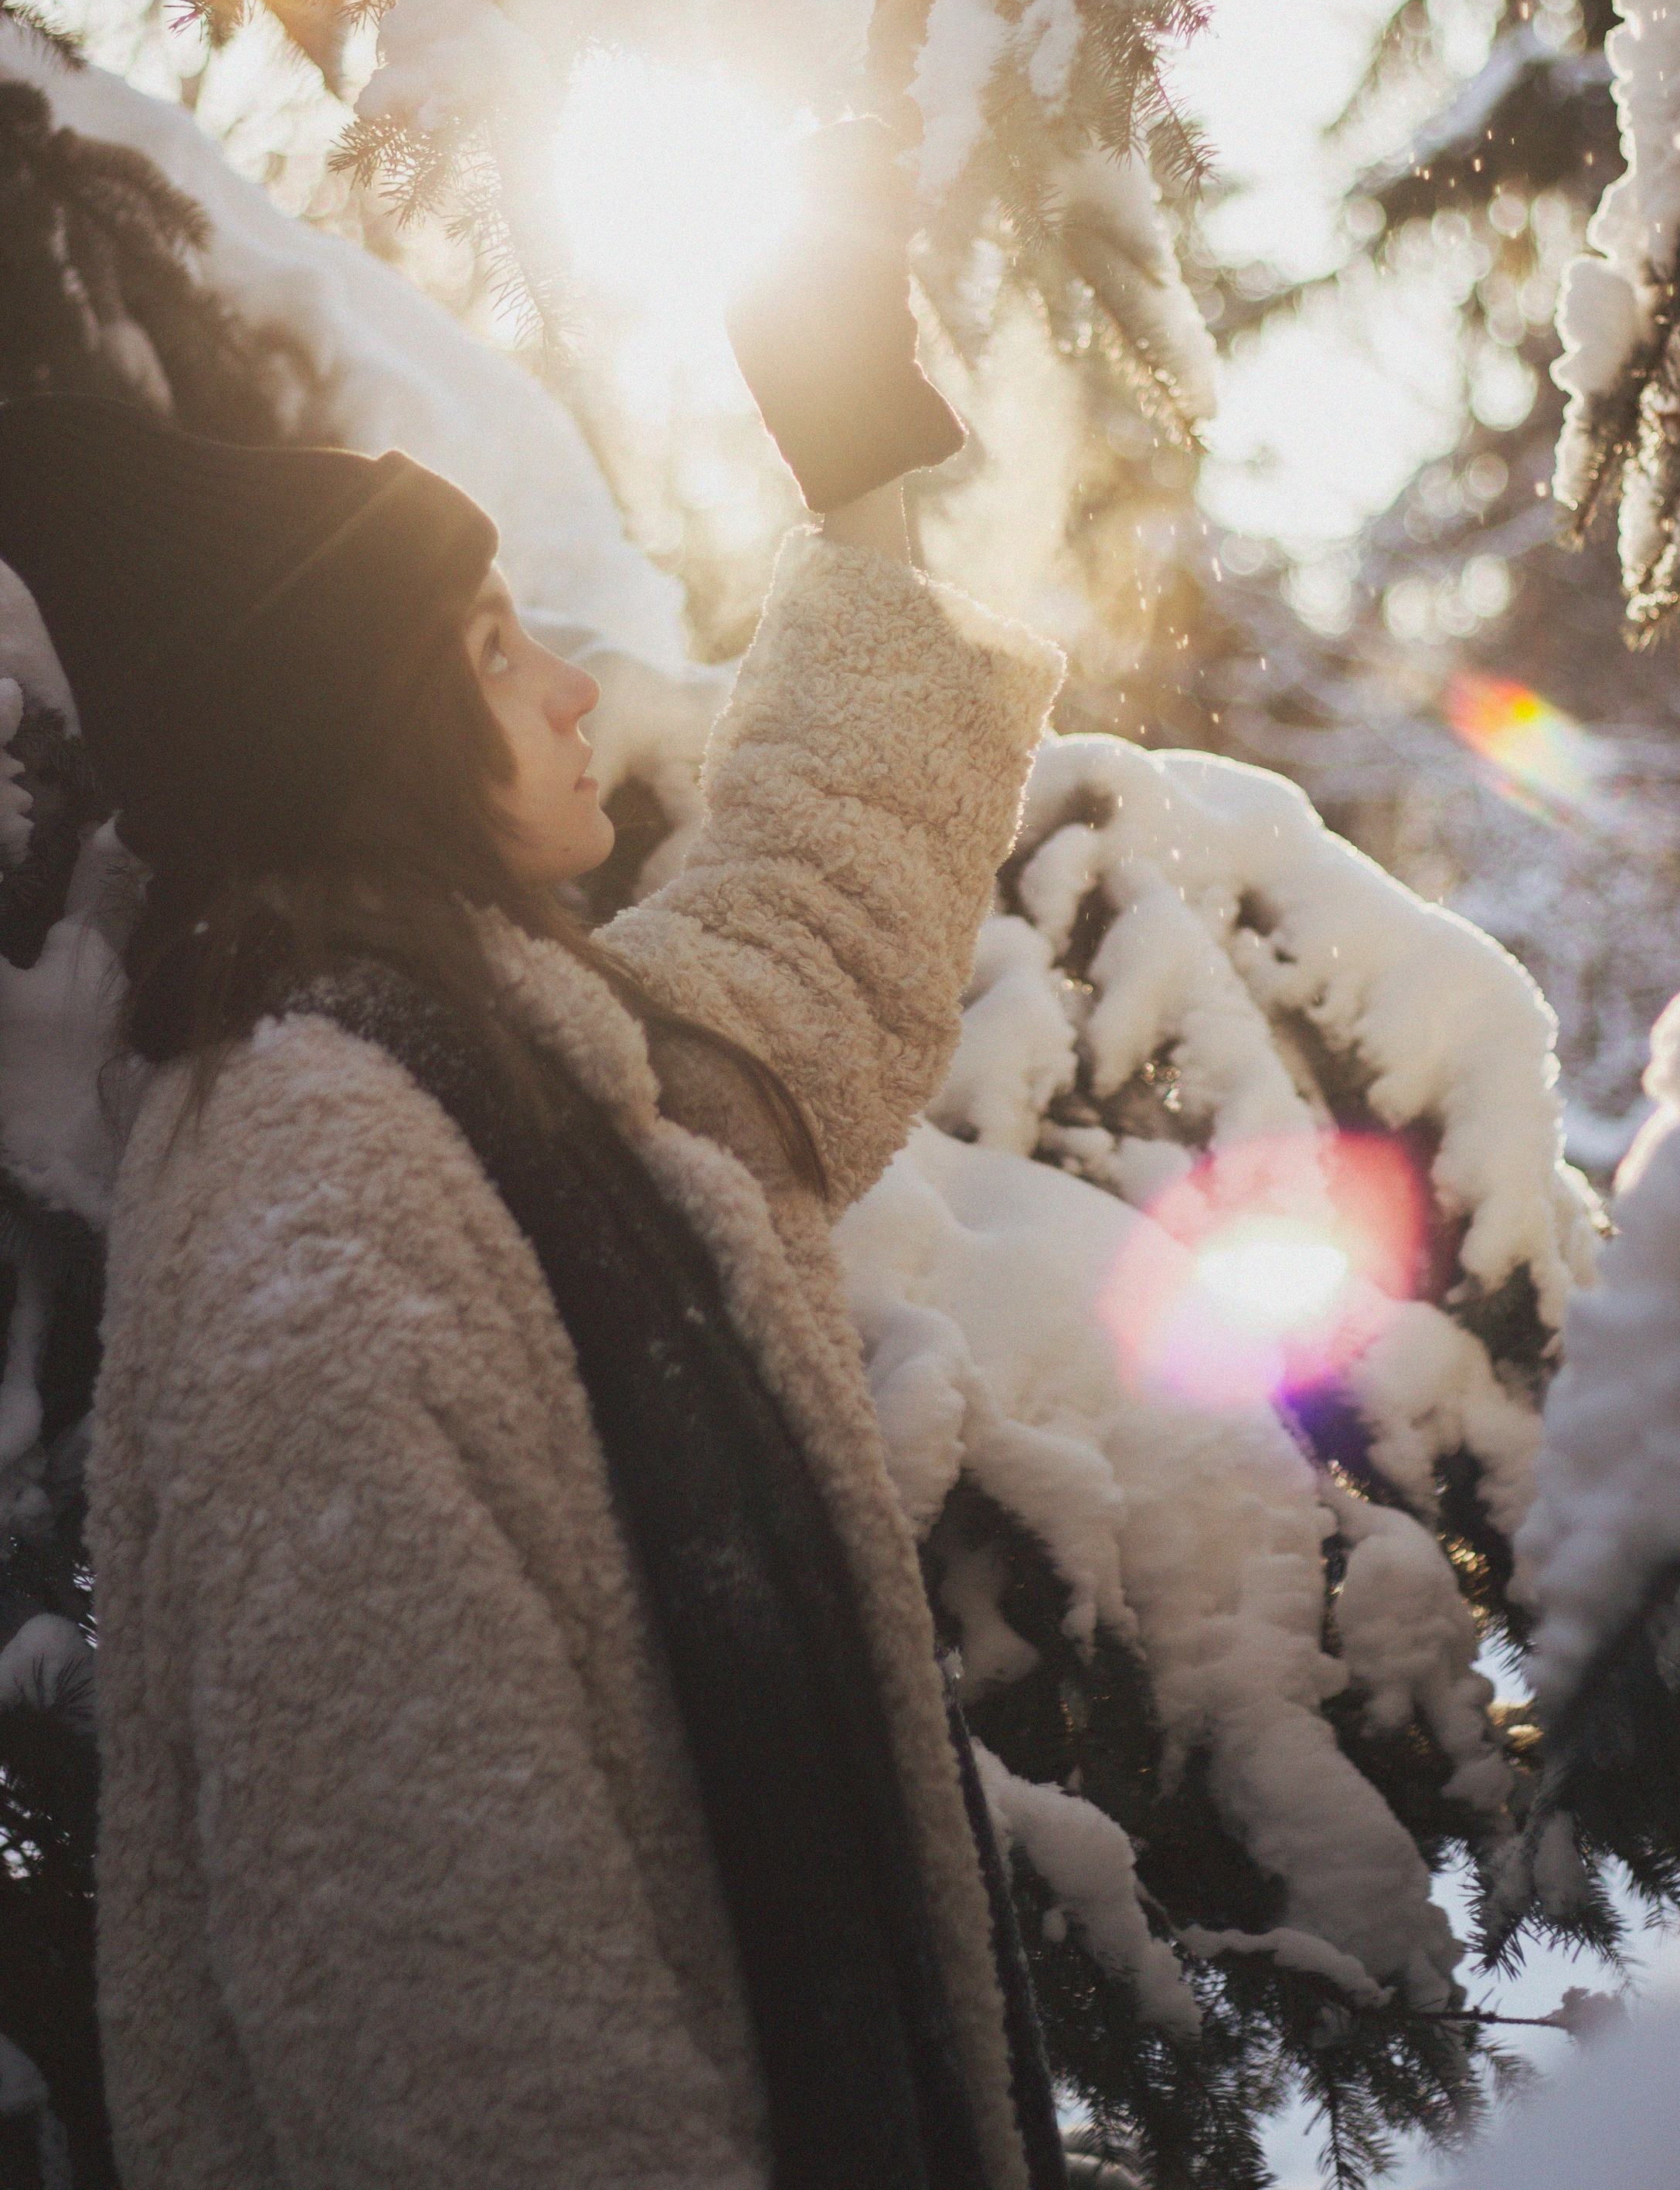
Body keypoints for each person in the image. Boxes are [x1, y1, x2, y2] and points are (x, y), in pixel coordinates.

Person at [0, 136, 1072, 2190]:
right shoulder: (315, 1198)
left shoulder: (526, 1087)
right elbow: (447, 2015)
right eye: (495, 648)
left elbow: (807, 924)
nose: (572, 683)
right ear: (371, 734)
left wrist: (860, 477)